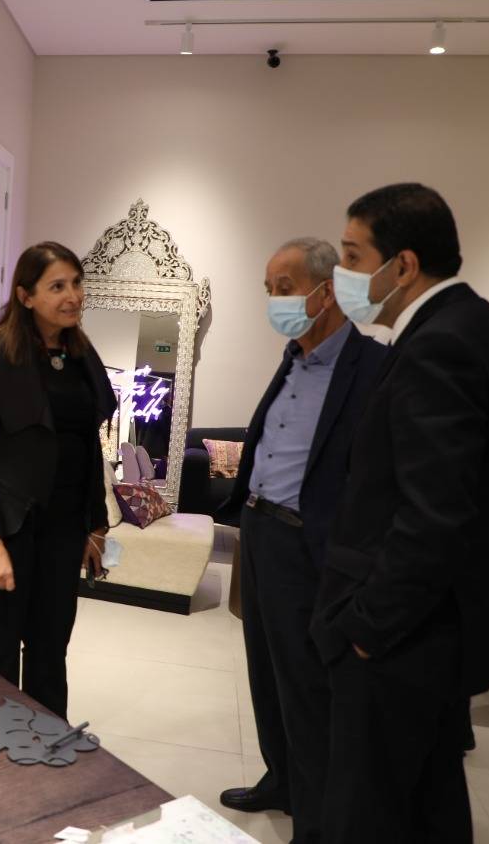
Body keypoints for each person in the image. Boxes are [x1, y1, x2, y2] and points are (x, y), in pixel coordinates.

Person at [311, 183, 489, 842]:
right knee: (427, 807)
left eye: (353, 256)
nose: (342, 274)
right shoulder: (472, 325)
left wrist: (368, 627)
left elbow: (435, 513)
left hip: (405, 638)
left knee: (369, 814)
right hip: (427, 629)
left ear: (403, 265)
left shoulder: (442, 343)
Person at [217, 238, 386, 842]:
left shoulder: (372, 368)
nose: (274, 301)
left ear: (325, 291)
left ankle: (315, 822)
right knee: (264, 669)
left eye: (283, 288)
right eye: (269, 290)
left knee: (306, 688)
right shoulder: (293, 358)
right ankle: (281, 778)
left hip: (306, 545)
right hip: (259, 531)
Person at [0, 241, 117, 720]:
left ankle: (45, 752)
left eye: (76, 283)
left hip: (62, 527)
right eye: (57, 286)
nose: (73, 296)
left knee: (50, 648)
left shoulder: (81, 356)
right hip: (6, 523)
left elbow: (88, 445)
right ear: (26, 296)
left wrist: (96, 524)